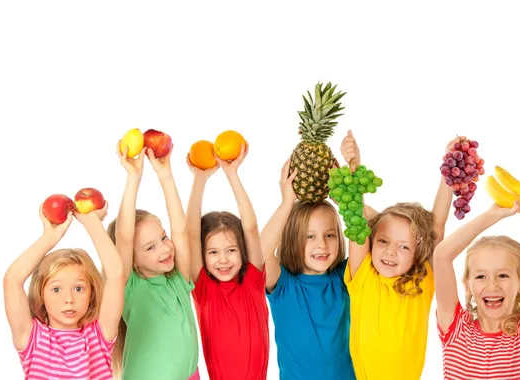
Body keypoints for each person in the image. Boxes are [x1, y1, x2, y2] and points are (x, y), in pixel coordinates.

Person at [341, 130, 455, 379]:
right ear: (371, 241)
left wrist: (450, 166)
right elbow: (356, 216)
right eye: (383, 241)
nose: (390, 251)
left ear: (418, 252)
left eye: (404, 246)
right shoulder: (363, 277)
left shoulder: (423, 279)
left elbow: (436, 226)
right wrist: (353, 165)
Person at [433, 190, 520, 379]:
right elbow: (441, 255)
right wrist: (492, 215)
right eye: (480, 277)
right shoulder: (456, 329)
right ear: (467, 284)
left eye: (502, 275)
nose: (492, 285)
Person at [107, 143, 199, 379]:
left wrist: (165, 175)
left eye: (163, 237)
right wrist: (134, 177)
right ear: (132, 261)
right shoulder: (128, 287)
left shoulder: (178, 280)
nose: (165, 248)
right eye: (150, 247)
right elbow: (125, 237)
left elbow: (180, 229)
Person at [4, 201, 124, 380]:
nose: (69, 298)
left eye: (78, 288)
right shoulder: (32, 338)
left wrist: (93, 224)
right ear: (41, 294)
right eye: (56, 289)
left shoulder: (98, 336)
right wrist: (49, 238)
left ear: (91, 293)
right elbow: (12, 280)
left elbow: (115, 273)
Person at [261, 159, 356, 380]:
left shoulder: (344, 276)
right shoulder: (284, 285)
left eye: (329, 235)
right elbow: (261, 254)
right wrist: (287, 204)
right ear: (293, 239)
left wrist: (346, 201)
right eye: (309, 236)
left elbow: (378, 237)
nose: (321, 244)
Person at [187, 143, 269, 380]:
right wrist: (199, 179)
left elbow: (251, 229)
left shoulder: (253, 281)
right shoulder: (203, 288)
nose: (223, 260)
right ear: (202, 256)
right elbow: (191, 233)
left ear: (242, 251)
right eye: (213, 252)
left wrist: (232, 174)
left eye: (231, 250)